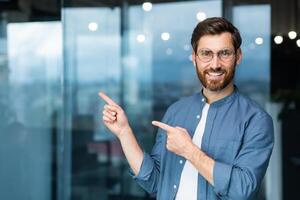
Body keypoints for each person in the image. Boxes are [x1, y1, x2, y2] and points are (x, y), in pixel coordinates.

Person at [99, 17, 274, 200]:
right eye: (206, 53)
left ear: (238, 57)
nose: (215, 64)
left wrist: (189, 150)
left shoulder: (256, 121)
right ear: (194, 57)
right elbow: (154, 181)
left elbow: (242, 189)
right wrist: (124, 132)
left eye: (224, 53)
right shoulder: (176, 111)